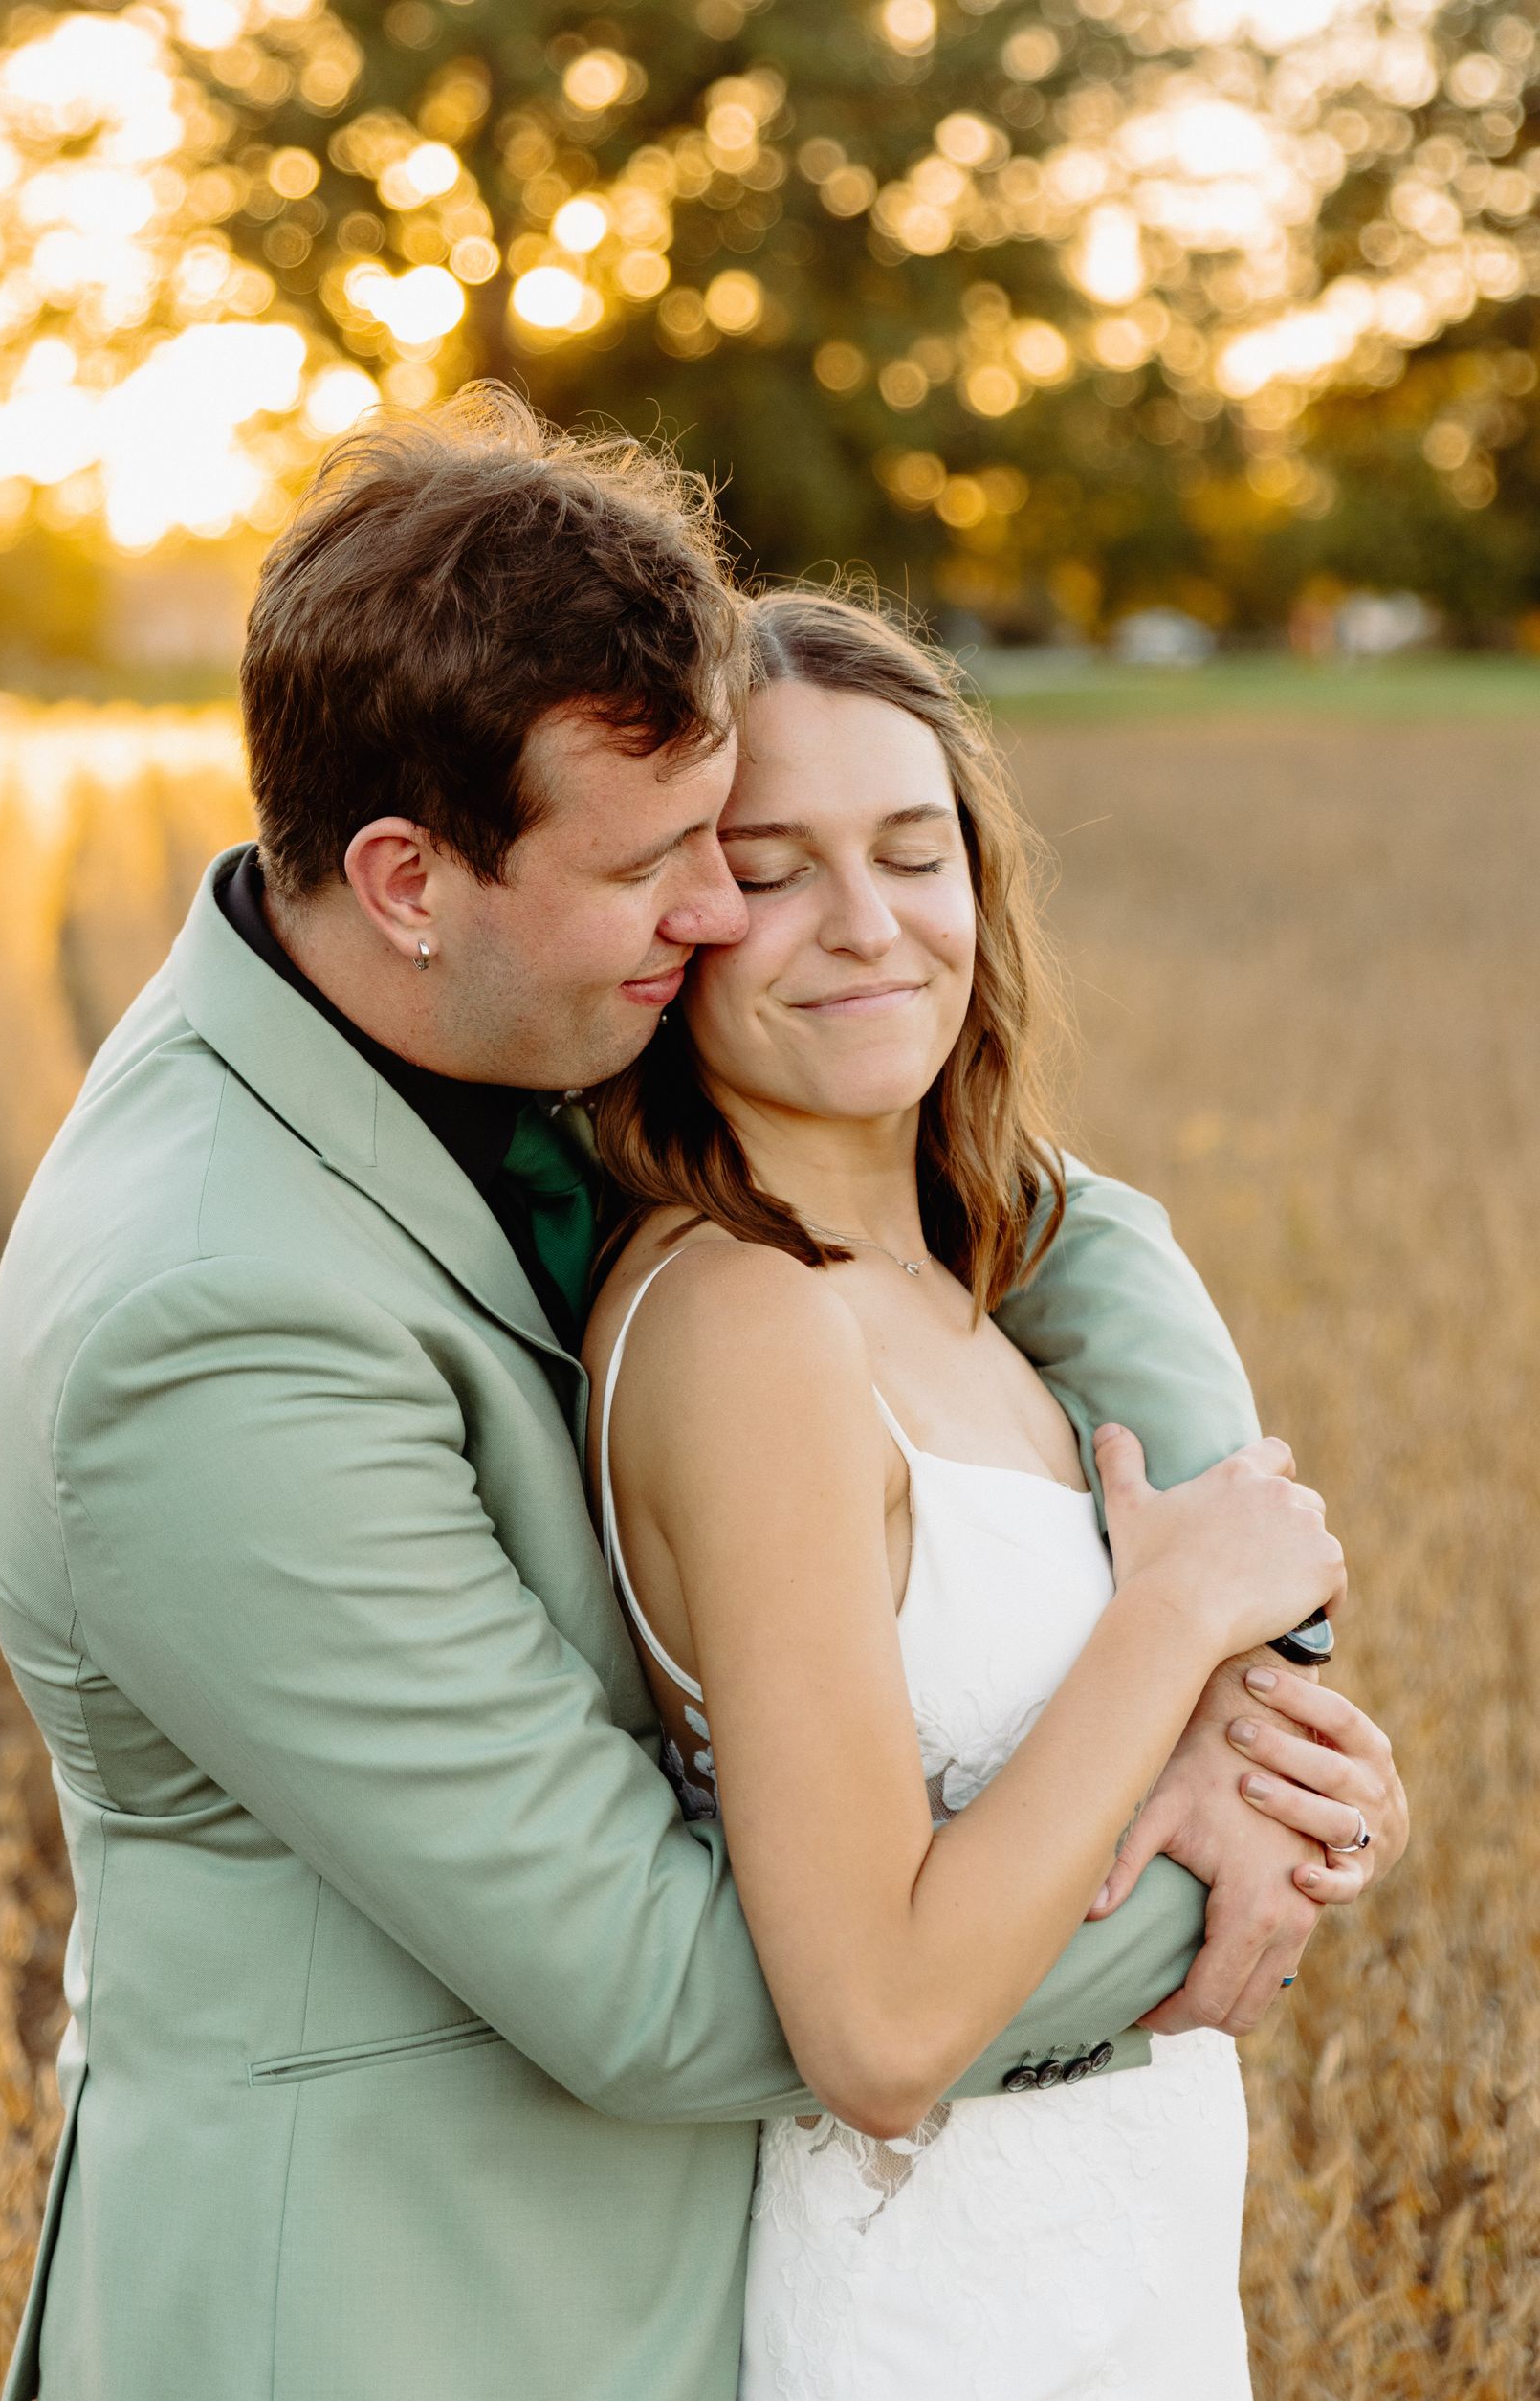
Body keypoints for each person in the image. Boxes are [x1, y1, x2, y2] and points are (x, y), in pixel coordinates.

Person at [0, 388, 1405, 2401]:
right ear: (405, 876)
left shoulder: (456, 1022)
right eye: (679, 863)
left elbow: (1023, 1205)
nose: (733, 914)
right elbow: (674, 1992)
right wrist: (1209, 1873)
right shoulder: (212, 1326)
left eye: (899, 854)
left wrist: (1262, 1660)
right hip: (411, 2320)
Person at [587, 585, 1405, 2395]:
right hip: (932, 2311)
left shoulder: (970, 1295)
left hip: (1136, 2269)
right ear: (677, 920)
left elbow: (1073, 1793)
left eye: (913, 850)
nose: (867, 926)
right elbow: (877, 2025)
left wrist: (1306, 1789)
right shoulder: (742, 1318)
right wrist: (1179, 1616)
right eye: (773, 867)